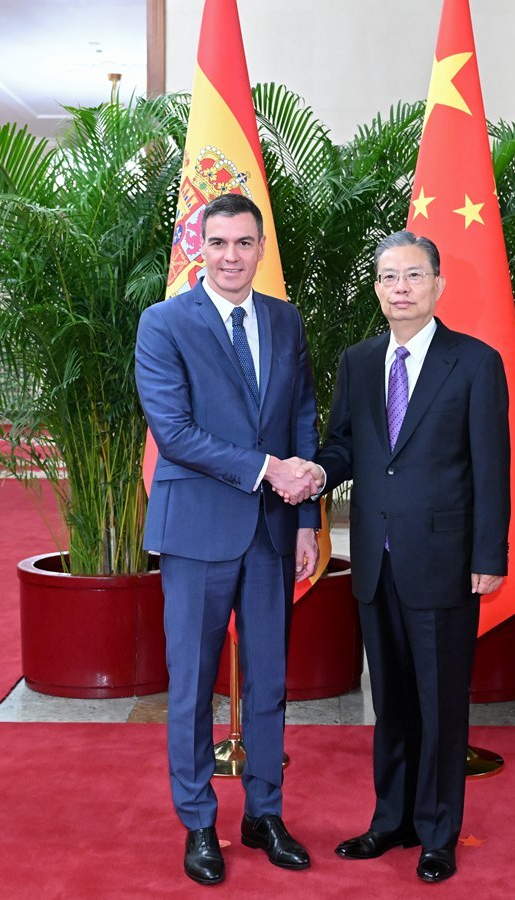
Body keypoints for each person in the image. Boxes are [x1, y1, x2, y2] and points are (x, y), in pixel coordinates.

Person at [296, 230, 510, 883]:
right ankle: (391, 820)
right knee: (389, 700)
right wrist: (315, 472)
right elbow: (344, 445)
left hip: (444, 559)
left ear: (438, 284)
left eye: (414, 275)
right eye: (389, 277)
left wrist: (488, 554)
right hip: (374, 558)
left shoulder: (474, 362)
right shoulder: (359, 362)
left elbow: (491, 468)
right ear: (376, 289)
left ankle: (437, 833)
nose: (401, 288)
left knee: (439, 703)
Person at [135, 194, 321, 886]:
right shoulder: (163, 323)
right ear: (199, 247)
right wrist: (268, 470)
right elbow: (174, 432)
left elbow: (302, 417)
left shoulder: (284, 318)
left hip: (273, 532)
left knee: (269, 681)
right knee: (191, 686)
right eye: (218, 243)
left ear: (260, 248)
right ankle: (198, 822)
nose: (232, 256)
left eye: (244, 243)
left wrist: (307, 519)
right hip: (196, 531)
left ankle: (264, 814)